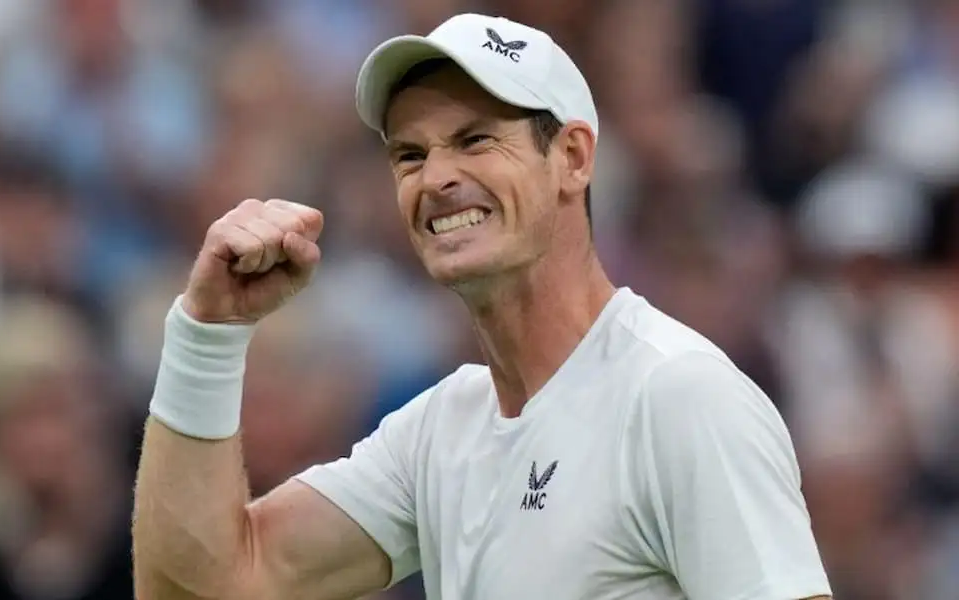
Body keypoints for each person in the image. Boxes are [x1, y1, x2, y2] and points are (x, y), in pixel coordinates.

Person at [133, 13, 833, 600]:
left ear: (574, 157)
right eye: (409, 155)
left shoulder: (678, 396)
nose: (436, 177)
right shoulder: (438, 431)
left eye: (475, 140)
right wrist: (207, 335)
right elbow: (206, 587)